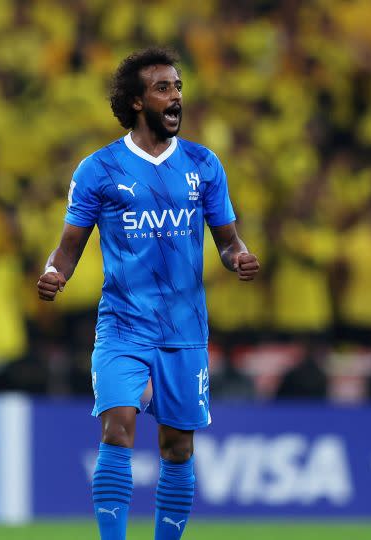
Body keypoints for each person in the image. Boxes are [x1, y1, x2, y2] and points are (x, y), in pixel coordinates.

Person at [36, 48, 259, 540]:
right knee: (117, 425)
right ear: (137, 102)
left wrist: (238, 256)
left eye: (178, 86)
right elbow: (69, 247)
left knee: (177, 447)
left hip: (185, 331)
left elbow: (227, 241)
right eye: (163, 88)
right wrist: (55, 273)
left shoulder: (203, 164)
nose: (176, 96)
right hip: (122, 325)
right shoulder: (100, 169)